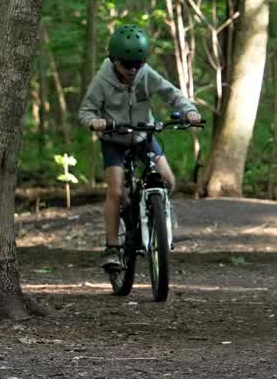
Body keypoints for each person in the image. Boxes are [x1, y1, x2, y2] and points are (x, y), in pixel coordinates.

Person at [78, 24, 202, 270]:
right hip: (114, 140)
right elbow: (86, 110)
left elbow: (171, 93)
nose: (133, 70)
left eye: (138, 63)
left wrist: (189, 110)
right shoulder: (102, 80)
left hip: (143, 137)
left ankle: (159, 214)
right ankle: (112, 248)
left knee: (168, 179)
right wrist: (95, 121)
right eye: (127, 64)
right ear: (114, 60)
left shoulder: (146, 74)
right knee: (115, 192)